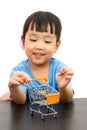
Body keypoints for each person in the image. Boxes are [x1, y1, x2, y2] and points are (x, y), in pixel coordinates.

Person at [8, 11, 74, 104]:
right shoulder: (19, 71)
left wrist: (63, 87)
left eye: (47, 41)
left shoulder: (60, 69)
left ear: (56, 46)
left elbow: (68, 99)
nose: (39, 46)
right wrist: (13, 88)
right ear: (23, 42)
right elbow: (20, 101)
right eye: (33, 40)